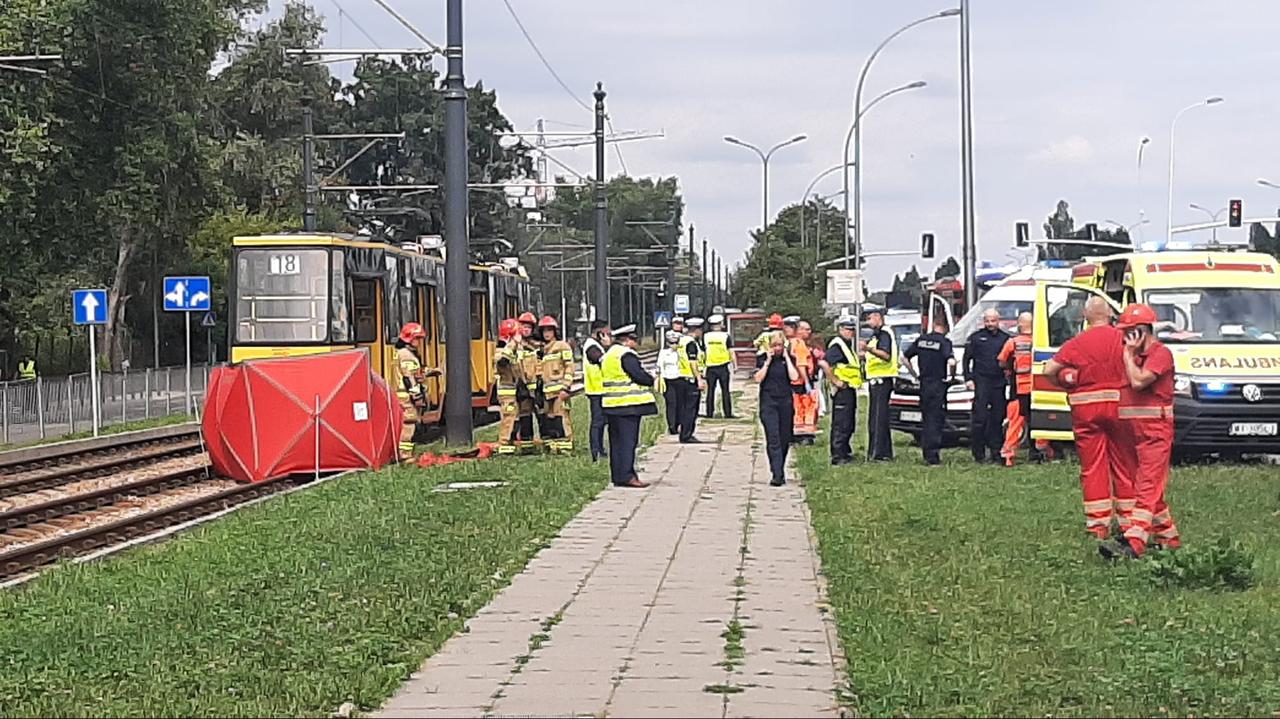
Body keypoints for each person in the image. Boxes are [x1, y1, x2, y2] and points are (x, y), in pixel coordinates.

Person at [1045, 296, 1136, 544]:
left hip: (1086, 412)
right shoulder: (1125, 339)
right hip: (1121, 410)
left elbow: (1049, 370)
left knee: (1093, 467)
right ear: (1110, 315)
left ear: (1085, 316)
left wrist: (1067, 385)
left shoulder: (1077, 342)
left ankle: (1098, 525)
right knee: (1125, 465)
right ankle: (1129, 522)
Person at [1101, 303, 1180, 560]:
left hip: (1155, 432)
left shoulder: (1160, 354)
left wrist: (1127, 356)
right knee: (1146, 486)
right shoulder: (1132, 356)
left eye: (1129, 332)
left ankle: (1134, 542)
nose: (1124, 338)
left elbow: (1138, 381)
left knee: (1147, 487)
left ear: (1143, 331)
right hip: (1132, 434)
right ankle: (1169, 539)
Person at [601, 324, 658, 488]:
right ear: (627, 340)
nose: (636, 342)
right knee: (628, 442)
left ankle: (618, 476)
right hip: (628, 405)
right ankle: (628, 476)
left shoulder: (609, 354)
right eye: (634, 339)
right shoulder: (626, 355)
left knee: (616, 443)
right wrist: (651, 378)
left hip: (611, 404)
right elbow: (638, 376)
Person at [997, 311, 1048, 466]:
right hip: (1038, 387)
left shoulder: (1013, 342)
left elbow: (1001, 361)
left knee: (1015, 422)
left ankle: (1008, 454)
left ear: (1019, 324)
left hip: (1019, 389)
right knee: (1040, 420)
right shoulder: (1041, 343)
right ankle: (1041, 451)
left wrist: (1009, 370)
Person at [904, 320, 956, 466]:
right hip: (938, 384)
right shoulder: (944, 342)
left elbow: (904, 358)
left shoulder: (921, 340)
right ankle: (933, 455)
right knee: (936, 419)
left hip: (924, 383)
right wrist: (951, 377)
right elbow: (952, 362)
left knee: (926, 418)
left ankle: (926, 451)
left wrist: (914, 375)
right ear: (944, 328)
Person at [755, 331, 801, 486]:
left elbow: (794, 377)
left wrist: (787, 358)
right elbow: (758, 378)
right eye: (774, 345)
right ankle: (777, 474)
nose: (777, 349)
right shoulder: (762, 359)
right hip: (768, 403)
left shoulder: (788, 359)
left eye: (779, 345)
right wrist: (767, 361)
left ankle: (780, 467)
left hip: (785, 402)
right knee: (773, 438)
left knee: (785, 438)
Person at [963, 309, 1008, 464]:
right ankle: (978, 453)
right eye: (987, 321)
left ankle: (996, 452)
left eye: (993, 321)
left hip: (999, 383)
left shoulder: (1005, 338)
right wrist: (968, 378)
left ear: (998, 320)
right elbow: (966, 359)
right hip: (981, 382)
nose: (990, 324)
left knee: (997, 418)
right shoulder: (976, 338)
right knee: (980, 419)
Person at [393, 322, 440, 462]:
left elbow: (415, 373)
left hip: (406, 395)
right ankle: (405, 455)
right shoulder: (406, 355)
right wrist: (417, 396)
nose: (420, 342)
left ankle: (406, 453)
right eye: (418, 339)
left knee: (410, 423)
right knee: (409, 423)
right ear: (410, 339)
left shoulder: (406, 353)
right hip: (407, 396)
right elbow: (409, 378)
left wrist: (430, 372)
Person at [822, 317, 863, 465]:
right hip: (842, 389)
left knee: (849, 423)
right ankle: (837, 455)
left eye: (852, 329)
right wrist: (835, 381)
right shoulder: (837, 344)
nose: (850, 332)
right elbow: (824, 363)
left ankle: (845, 452)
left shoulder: (847, 345)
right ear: (840, 329)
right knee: (841, 423)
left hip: (849, 388)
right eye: (847, 329)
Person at [537, 315, 576, 453]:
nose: (547, 333)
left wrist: (566, 386)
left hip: (560, 390)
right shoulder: (544, 350)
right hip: (548, 392)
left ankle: (566, 446)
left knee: (562, 417)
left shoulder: (562, 346)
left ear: (555, 332)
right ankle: (555, 446)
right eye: (544, 331)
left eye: (549, 330)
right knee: (551, 419)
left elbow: (570, 366)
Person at [863, 311, 898, 461]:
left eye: (870, 318)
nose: (869, 322)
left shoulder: (884, 333)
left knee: (878, 419)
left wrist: (868, 349)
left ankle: (878, 453)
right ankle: (882, 452)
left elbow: (885, 355)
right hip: (876, 379)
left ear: (878, 317)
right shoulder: (876, 334)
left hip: (882, 380)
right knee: (877, 418)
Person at [581, 320, 612, 461]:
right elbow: (602, 360)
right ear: (599, 332)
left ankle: (600, 449)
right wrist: (609, 347)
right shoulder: (591, 346)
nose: (608, 336)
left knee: (602, 422)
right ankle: (596, 451)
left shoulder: (595, 345)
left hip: (601, 389)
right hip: (596, 389)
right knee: (597, 422)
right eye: (605, 333)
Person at [494, 318, 525, 455]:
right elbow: (503, 362)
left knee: (515, 417)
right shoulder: (502, 351)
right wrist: (513, 343)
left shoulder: (512, 350)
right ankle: (504, 444)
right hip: (506, 392)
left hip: (513, 391)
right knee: (509, 416)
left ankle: (510, 443)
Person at [516, 311, 543, 445]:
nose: (526, 330)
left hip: (538, 387)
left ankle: (546, 439)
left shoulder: (539, 346)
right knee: (525, 414)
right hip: (523, 387)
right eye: (523, 327)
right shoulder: (516, 345)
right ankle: (527, 441)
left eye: (528, 328)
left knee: (542, 414)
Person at [678, 317, 706, 443]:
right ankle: (687, 434)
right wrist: (699, 379)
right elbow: (693, 362)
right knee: (691, 409)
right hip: (690, 379)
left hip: (681, 378)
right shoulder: (691, 343)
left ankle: (684, 432)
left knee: (684, 408)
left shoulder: (681, 341)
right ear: (697, 330)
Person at [702, 314, 736, 418]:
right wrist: (735, 365)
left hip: (710, 366)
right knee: (725, 390)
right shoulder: (726, 336)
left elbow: (703, 352)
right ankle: (728, 413)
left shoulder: (706, 336)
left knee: (710, 391)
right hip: (723, 366)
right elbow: (731, 351)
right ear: (721, 324)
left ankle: (709, 413)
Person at [656, 330, 685, 435]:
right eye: (672, 343)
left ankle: (679, 423)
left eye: (676, 343)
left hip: (680, 378)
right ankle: (672, 426)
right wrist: (658, 379)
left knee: (681, 403)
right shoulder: (663, 353)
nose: (674, 345)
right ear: (668, 343)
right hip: (668, 379)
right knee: (671, 403)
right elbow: (659, 366)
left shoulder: (681, 352)